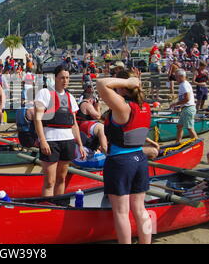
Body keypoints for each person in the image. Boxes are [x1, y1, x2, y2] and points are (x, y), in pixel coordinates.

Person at [96, 69, 152, 244]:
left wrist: (127, 82)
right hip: (140, 160)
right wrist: (132, 82)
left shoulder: (122, 106)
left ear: (122, 86)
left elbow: (100, 83)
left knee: (121, 212)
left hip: (120, 163)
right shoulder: (145, 106)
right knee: (140, 209)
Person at [34, 65, 86, 197]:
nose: (65, 80)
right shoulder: (45, 93)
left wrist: (80, 144)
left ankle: (58, 204)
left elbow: (74, 124)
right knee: (49, 181)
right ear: (55, 78)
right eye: (62, 77)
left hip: (67, 141)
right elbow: (37, 119)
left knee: (61, 179)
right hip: (51, 141)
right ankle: (47, 207)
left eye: (67, 78)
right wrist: (43, 141)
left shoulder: (70, 98)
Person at [169, 69, 198, 144]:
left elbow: (187, 98)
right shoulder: (183, 84)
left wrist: (176, 104)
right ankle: (177, 142)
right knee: (179, 126)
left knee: (190, 128)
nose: (175, 78)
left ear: (181, 76)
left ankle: (197, 143)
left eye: (176, 76)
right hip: (186, 108)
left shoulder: (184, 84)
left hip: (188, 108)